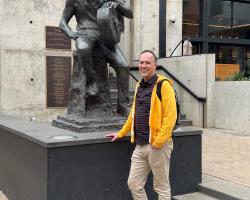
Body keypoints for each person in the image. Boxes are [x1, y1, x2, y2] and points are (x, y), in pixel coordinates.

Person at [106, 50, 177, 200]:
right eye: (141, 62)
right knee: (134, 184)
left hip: (158, 145)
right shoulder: (139, 85)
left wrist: (157, 143)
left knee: (161, 187)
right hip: (140, 144)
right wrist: (121, 133)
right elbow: (133, 114)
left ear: (155, 65)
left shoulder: (163, 86)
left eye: (147, 63)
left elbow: (171, 117)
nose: (143, 66)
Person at [59, 0, 133, 116]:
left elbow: (130, 14)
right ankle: (92, 80)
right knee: (83, 49)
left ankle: (123, 105)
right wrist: (72, 34)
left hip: (106, 37)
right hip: (85, 34)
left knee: (123, 65)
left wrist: (117, 5)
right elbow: (62, 23)